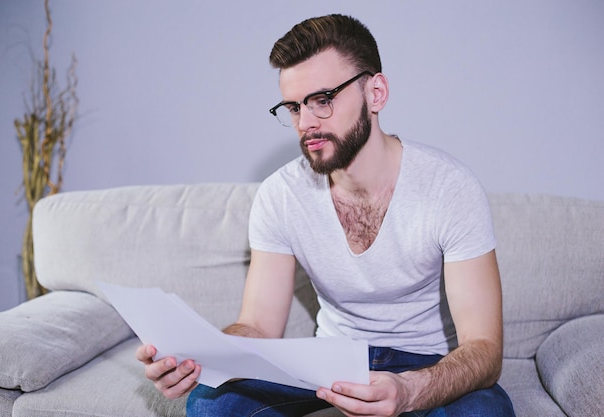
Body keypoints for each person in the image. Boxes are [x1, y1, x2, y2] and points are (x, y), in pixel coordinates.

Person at [136, 14, 515, 417]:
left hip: (427, 364)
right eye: (294, 107)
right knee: (213, 405)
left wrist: (408, 390)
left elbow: (484, 349)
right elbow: (259, 327)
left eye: (323, 99)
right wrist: (199, 357)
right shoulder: (280, 196)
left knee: (485, 412)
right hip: (328, 363)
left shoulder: (450, 188)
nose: (307, 123)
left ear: (376, 93)